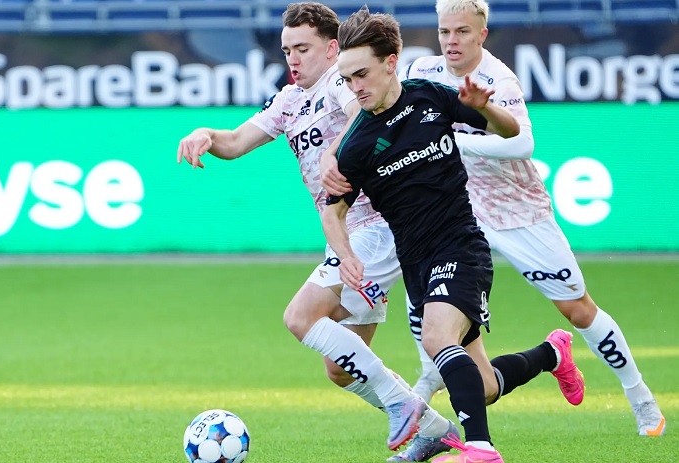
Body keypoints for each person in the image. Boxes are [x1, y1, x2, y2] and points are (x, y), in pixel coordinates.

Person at [324, 0, 666, 439]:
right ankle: (436, 409)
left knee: (576, 307)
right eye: (444, 31)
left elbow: (521, 143)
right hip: (449, 211)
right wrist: (334, 152)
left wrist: (457, 140)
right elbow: (374, 116)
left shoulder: (497, 79)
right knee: (434, 324)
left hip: (513, 209)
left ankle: (639, 395)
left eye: (462, 32)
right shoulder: (421, 72)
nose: (451, 41)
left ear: (482, 33)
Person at [177, 2, 455, 452]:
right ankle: (435, 431)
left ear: (331, 49)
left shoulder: (341, 84)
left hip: (377, 226)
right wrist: (206, 135)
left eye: (302, 48)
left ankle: (402, 403)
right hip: (346, 234)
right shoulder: (289, 100)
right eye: (287, 49)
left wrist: (334, 152)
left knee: (300, 317)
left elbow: (364, 115)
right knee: (341, 368)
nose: (293, 58)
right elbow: (237, 141)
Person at [323, 6, 524, 462]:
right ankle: (553, 354)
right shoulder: (355, 145)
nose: (355, 87)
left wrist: (484, 107)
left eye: (361, 74)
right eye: (347, 79)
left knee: (436, 338)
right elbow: (332, 213)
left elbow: (510, 131)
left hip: (461, 245)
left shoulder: (431, 96)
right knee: (483, 385)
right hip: (416, 264)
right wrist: (346, 254)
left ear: (391, 62)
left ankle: (481, 448)